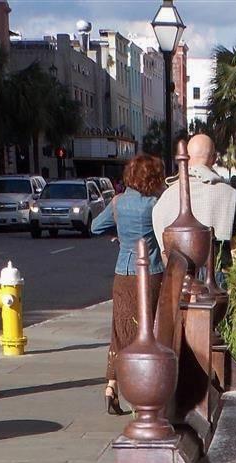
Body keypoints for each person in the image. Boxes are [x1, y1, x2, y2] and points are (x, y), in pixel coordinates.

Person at [92, 153, 167, 416]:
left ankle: (111, 385)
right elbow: (165, 236)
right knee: (147, 333)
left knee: (120, 330)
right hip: (151, 273)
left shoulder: (118, 203)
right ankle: (141, 391)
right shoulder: (155, 205)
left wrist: (119, 235)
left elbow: (94, 227)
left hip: (122, 273)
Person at [151, 133, 236, 259]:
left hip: (178, 271)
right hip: (219, 268)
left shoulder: (165, 197)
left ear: (187, 157)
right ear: (213, 159)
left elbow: (163, 251)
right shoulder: (229, 194)